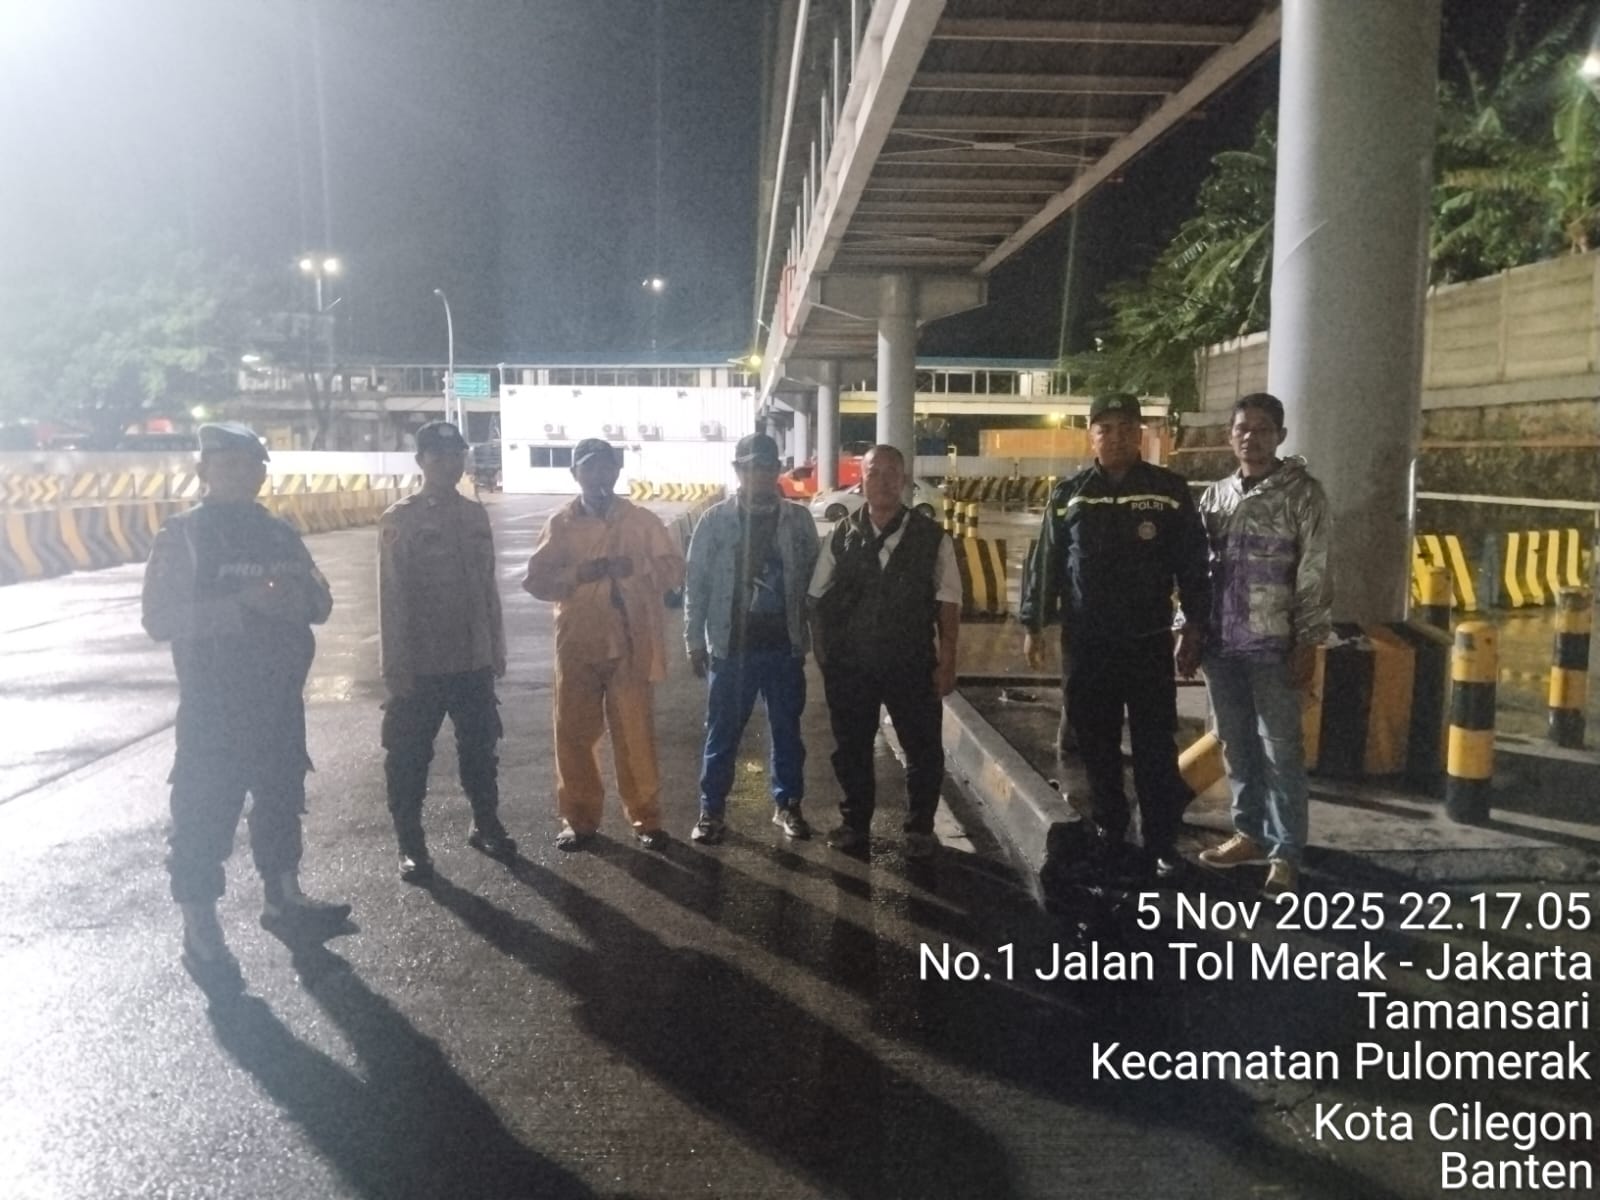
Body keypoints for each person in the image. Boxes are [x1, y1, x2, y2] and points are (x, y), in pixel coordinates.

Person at [142, 422, 348, 991]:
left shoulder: (278, 532)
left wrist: (295, 601)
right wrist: (241, 606)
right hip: (215, 704)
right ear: (204, 471)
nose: (242, 475)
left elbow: (321, 600)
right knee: (203, 815)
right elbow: (159, 618)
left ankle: (284, 898)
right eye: (228, 465)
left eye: (251, 466)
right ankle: (200, 930)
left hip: (278, 700)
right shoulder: (183, 535)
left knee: (281, 800)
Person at [1020, 393, 1211, 877]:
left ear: (1140, 434)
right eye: (1105, 428)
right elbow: (1047, 560)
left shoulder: (1168, 490)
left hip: (1147, 641)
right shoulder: (1070, 493)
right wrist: (1033, 624)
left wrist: (1195, 626)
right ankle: (1110, 830)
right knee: (1096, 742)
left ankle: (1160, 841)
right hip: (1087, 644)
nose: (1117, 437)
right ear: (1091, 436)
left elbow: (1193, 564)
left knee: (1155, 745)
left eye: (1127, 428)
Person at [1196, 393, 1332, 897]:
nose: (1251, 437)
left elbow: (1315, 573)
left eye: (1262, 428)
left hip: (1276, 646)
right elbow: (1196, 572)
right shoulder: (1215, 497)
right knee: (1236, 744)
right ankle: (1248, 833)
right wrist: (1188, 628)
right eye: (1242, 428)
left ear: (1281, 436)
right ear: (1230, 436)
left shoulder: (1304, 496)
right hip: (1221, 646)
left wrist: (1308, 641)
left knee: (1281, 751)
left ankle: (1285, 852)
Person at [522, 438, 685, 850]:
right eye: (589, 467)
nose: (599, 475)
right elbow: (536, 580)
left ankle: (646, 818)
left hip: (630, 643)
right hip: (576, 643)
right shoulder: (561, 524)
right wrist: (579, 574)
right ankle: (579, 819)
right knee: (573, 732)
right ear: (575, 473)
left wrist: (636, 566)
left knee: (635, 734)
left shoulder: (642, 521)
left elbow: (672, 569)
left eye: (606, 467)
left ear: (617, 471)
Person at [809, 444, 961, 858]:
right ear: (861, 480)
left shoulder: (932, 538)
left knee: (922, 747)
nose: (883, 481)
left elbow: (949, 602)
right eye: (874, 472)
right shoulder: (841, 535)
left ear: (905, 480)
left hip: (911, 663)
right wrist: (826, 658)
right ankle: (854, 823)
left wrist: (947, 661)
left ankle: (919, 828)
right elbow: (817, 598)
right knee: (851, 748)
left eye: (892, 473)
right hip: (852, 666)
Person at [378, 420, 514, 883]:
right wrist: (395, 664)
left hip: (472, 658)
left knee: (480, 748)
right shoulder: (400, 519)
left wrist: (496, 645)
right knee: (409, 756)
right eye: (438, 457)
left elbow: (487, 587)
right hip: (422, 663)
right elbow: (391, 595)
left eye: (456, 456)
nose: (449, 464)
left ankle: (485, 822)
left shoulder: (474, 515)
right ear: (421, 461)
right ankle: (410, 844)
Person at [683, 432, 820, 844]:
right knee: (722, 733)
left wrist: (819, 639)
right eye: (751, 467)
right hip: (731, 649)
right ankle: (711, 811)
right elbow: (696, 583)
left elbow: (815, 582)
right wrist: (693, 640)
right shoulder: (714, 521)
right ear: (738, 470)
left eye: (766, 466)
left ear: (777, 469)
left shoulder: (799, 521)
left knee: (787, 731)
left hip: (783, 647)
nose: (759, 474)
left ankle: (788, 804)